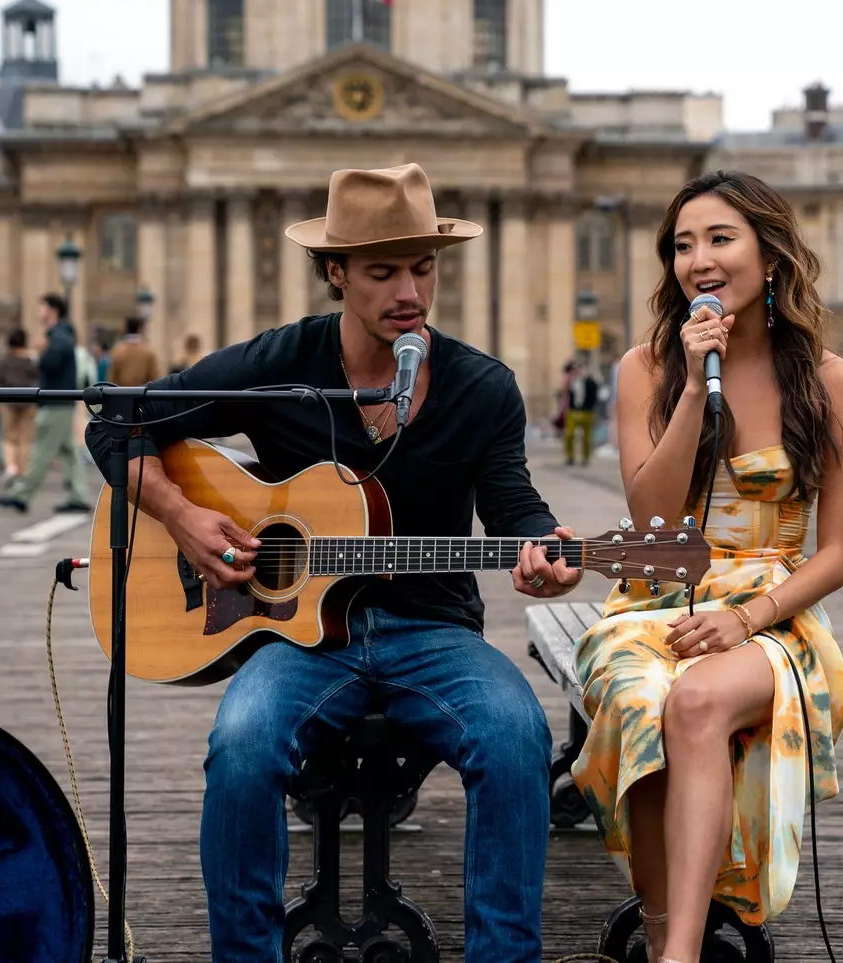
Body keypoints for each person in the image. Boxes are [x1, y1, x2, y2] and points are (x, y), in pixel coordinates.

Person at [85, 163, 581, 963]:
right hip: (299, 639)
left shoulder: (482, 387)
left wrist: (550, 548)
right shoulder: (281, 364)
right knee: (240, 743)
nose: (408, 290)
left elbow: (514, 507)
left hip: (434, 628)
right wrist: (182, 518)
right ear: (335, 273)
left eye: (422, 267)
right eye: (383, 271)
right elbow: (116, 424)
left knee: (516, 732)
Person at [569, 171, 843, 963]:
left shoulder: (835, 385)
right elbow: (648, 519)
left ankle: (676, 956)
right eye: (681, 244)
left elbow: (837, 553)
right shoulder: (647, 369)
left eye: (719, 238)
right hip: (654, 599)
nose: (698, 258)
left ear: (770, 256)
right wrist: (696, 395)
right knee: (641, 697)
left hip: (775, 614)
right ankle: (674, 937)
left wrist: (744, 617)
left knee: (698, 704)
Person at [0, 293, 91, 515]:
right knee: (69, 452)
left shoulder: (58, 335)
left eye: (42, 308)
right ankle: (79, 495)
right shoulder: (61, 334)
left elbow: (53, 361)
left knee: (41, 451)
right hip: (62, 401)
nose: (39, 313)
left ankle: (21, 495)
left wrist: (41, 353)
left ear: (52, 311)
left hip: (55, 401)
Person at [0, 327, 39, 484]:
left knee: (9, 437)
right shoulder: (31, 361)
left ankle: (11, 467)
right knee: (25, 438)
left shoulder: (5, 361)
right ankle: (23, 470)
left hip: (8, 401)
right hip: (29, 401)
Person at [561, 358, 602, 465]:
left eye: (579, 369)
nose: (577, 371)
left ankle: (586, 457)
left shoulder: (590, 382)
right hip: (573, 411)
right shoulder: (572, 381)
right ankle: (570, 457)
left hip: (587, 411)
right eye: (576, 369)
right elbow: (567, 395)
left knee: (586, 437)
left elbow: (594, 395)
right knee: (569, 434)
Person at [105, 316, 161, 387]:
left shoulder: (117, 350)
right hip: (142, 394)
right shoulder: (148, 351)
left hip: (120, 394)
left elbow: (111, 378)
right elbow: (155, 377)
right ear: (140, 329)